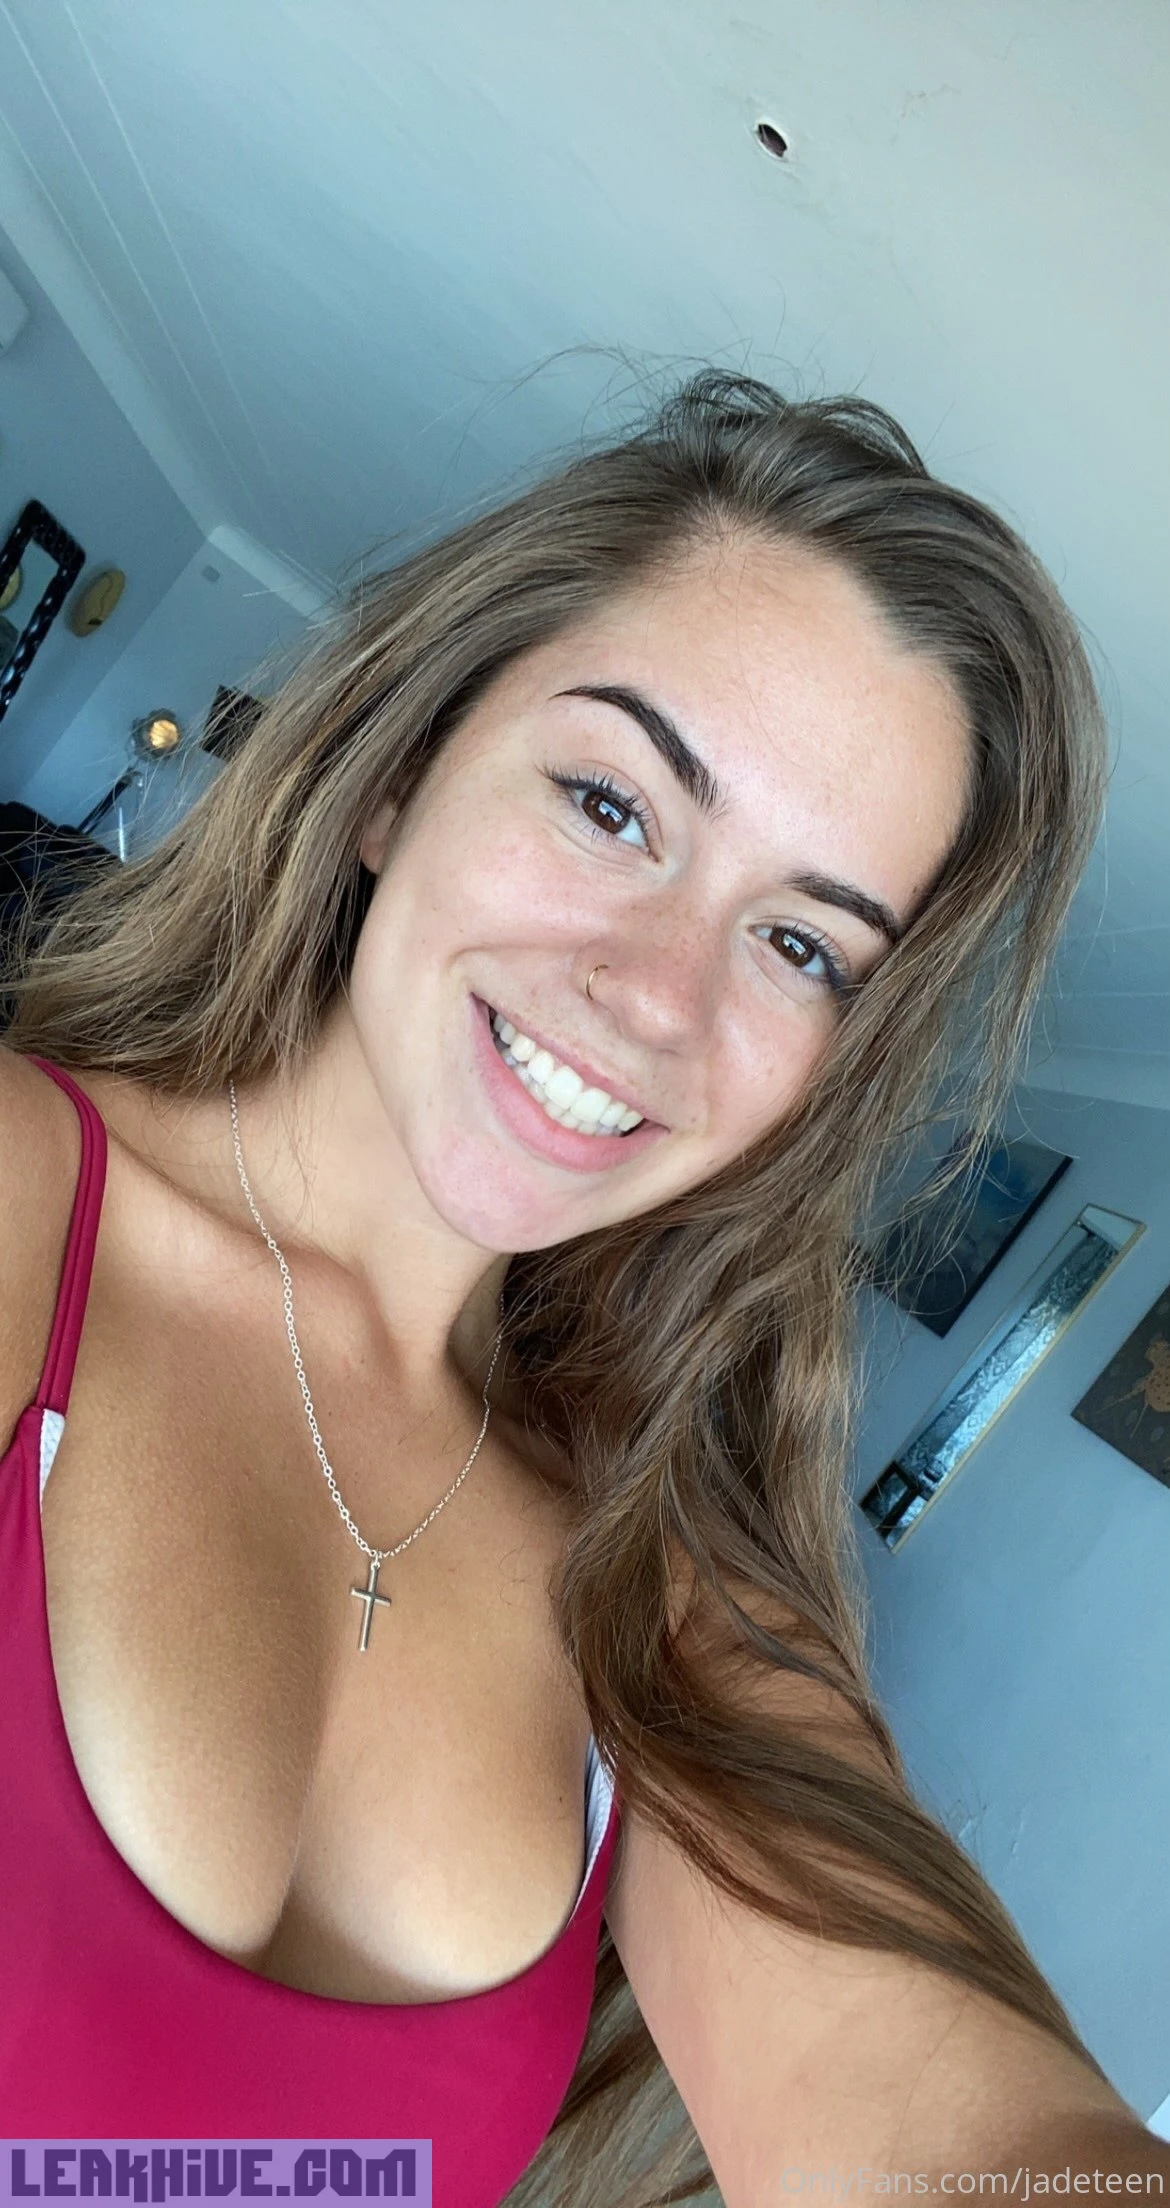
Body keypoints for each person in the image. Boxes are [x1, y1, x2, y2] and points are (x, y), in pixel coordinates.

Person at [0, 372, 1164, 2208]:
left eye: (799, 944)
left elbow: (963, 2145)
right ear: (398, 773)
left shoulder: (662, 1588)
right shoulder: (23, 1199)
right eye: (613, 806)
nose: (657, 995)